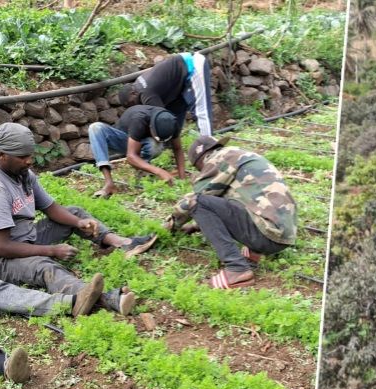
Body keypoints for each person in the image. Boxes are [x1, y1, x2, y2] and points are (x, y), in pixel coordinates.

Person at [0, 123, 158, 315]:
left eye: (30, 154)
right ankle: (102, 299)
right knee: (43, 266)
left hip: (27, 237)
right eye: (23, 157)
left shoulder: (21, 172)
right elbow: (2, 247)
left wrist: (78, 223)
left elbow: (50, 207)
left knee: (74, 212)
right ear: (1, 155)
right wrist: (52, 250)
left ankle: (122, 243)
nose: (30, 161)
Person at [164, 135, 297, 289]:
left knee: (198, 202)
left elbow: (193, 201)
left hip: (267, 234)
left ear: (203, 158)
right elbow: (226, 205)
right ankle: (254, 253)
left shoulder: (218, 159)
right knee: (213, 201)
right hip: (283, 235)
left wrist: (168, 226)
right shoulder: (239, 155)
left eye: (199, 168)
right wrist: (196, 225)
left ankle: (236, 268)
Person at [89, 104, 185, 198]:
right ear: (151, 126)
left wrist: (182, 178)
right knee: (95, 128)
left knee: (154, 145)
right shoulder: (139, 119)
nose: (159, 140)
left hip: (142, 143)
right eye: (157, 137)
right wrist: (159, 171)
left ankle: (142, 172)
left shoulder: (171, 122)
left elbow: (178, 148)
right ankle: (109, 184)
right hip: (122, 140)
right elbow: (130, 157)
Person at [119, 52, 214, 136]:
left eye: (132, 103)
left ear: (133, 93)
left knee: (201, 110)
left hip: (192, 66)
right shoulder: (138, 84)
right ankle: (172, 145)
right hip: (181, 76)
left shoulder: (146, 94)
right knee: (174, 111)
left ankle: (209, 145)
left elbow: (161, 118)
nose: (136, 106)